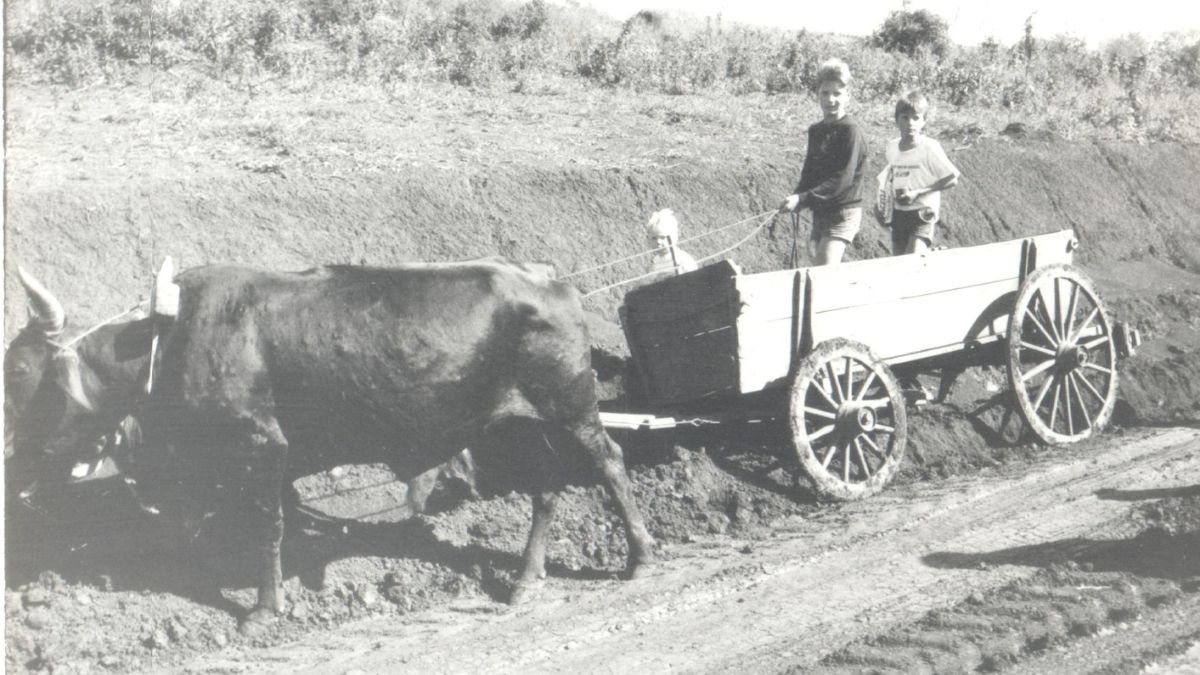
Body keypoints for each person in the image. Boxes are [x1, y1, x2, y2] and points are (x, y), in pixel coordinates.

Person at [778, 58, 868, 266]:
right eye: (825, 93)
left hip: (843, 211)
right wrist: (796, 196)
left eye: (837, 93)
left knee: (825, 267)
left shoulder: (851, 131)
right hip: (821, 212)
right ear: (817, 95)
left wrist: (803, 199)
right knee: (815, 267)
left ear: (848, 96)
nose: (831, 99)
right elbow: (809, 172)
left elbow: (842, 179)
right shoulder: (815, 130)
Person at [876, 91, 961, 256]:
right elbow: (890, 179)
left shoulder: (929, 147)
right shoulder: (892, 147)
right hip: (899, 213)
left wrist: (918, 193)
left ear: (924, 121)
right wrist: (880, 205)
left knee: (912, 261)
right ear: (897, 120)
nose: (910, 123)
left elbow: (952, 179)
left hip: (923, 213)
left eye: (916, 118)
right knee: (899, 263)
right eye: (905, 118)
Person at [645, 208, 698, 276]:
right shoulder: (655, 261)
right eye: (654, 238)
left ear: (674, 236)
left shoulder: (682, 258)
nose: (658, 241)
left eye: (663, 237)